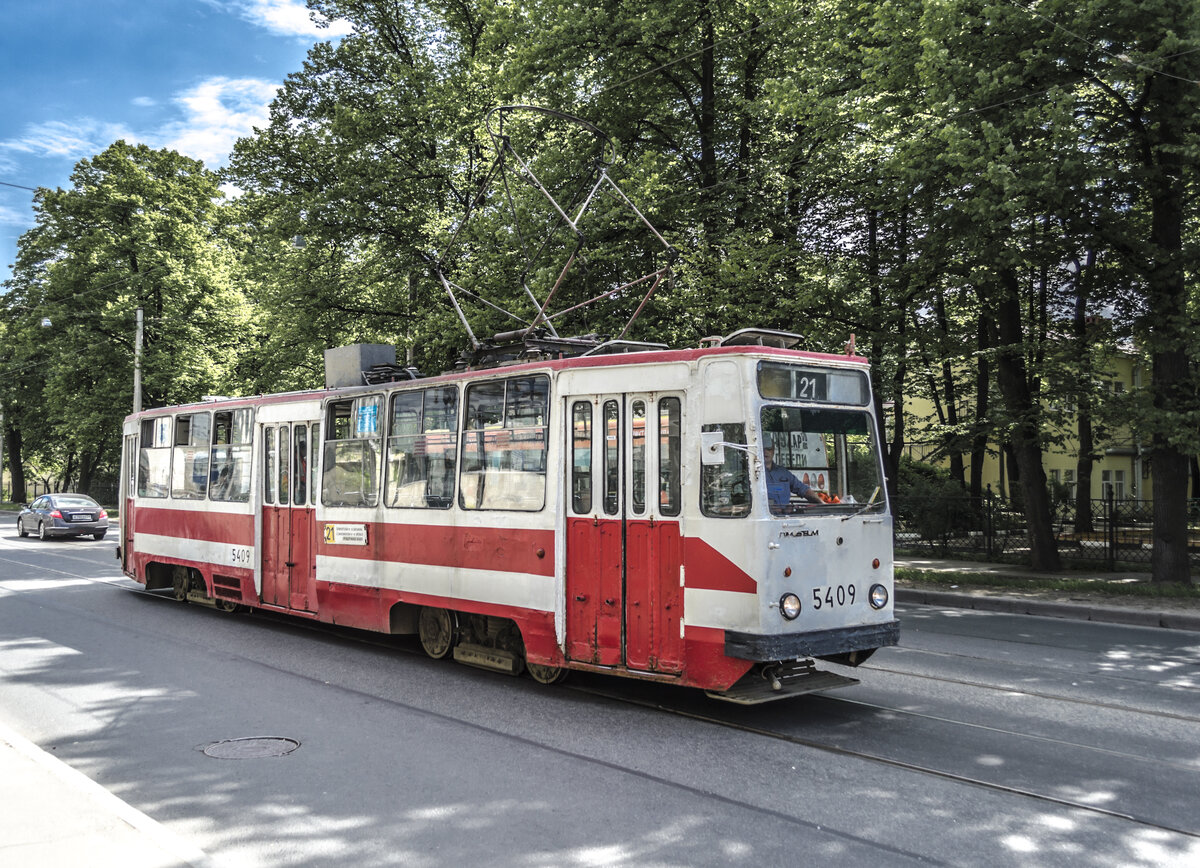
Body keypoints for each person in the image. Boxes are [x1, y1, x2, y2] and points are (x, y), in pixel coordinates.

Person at [763, 435, 823, 508]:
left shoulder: (783, 473)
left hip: (785, 517)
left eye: (769, 448)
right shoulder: (754, 474)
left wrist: (821, 503)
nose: (765, 451)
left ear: (773, 450)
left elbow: (803, 489)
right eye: (763, 448)